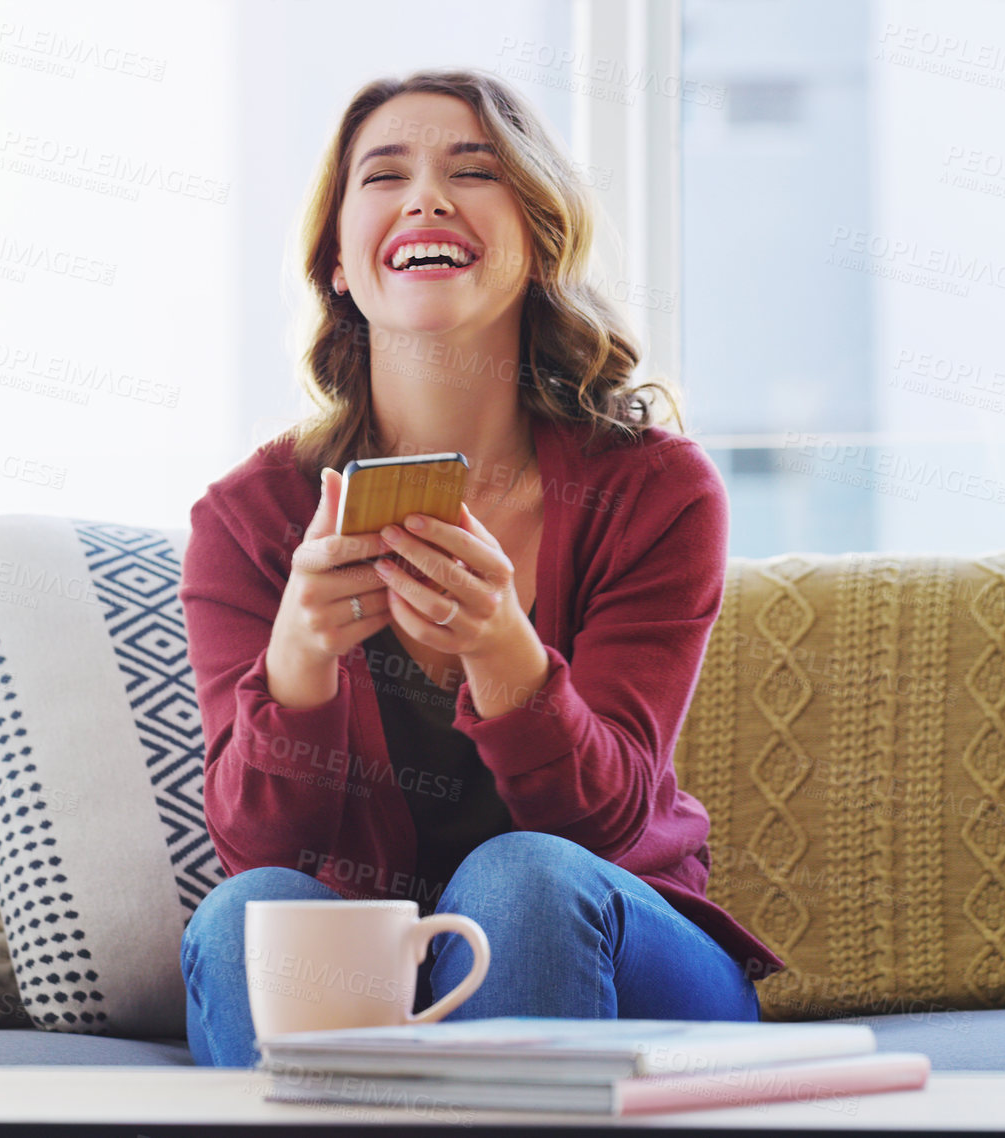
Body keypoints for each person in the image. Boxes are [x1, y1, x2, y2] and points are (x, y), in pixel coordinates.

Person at [176, 68, 783, 1069]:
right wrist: (298, 664)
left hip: (617, 946)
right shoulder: (249, 519)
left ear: (540, 242)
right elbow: (257, 850)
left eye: (473, 170)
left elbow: (610, 818)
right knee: (256, 910)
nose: (425, 197)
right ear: (336, 256)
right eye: (385, 174)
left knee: (525, 880)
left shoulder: (654, 493)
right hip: (379, 961)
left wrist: (507, 654)